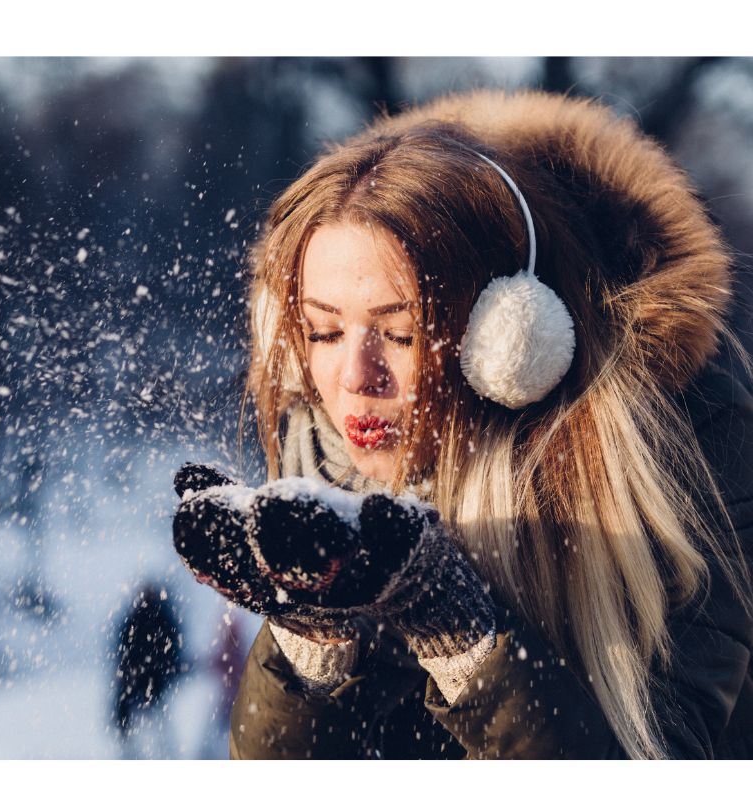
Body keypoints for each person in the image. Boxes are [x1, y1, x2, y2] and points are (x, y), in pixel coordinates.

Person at [171, 88, 753, 759]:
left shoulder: (690, 450)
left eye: (400, 331)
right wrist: (313, 640)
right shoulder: (323, 455)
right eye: (324, 332)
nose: (357, 377)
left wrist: (458, 631)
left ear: (508, 339)